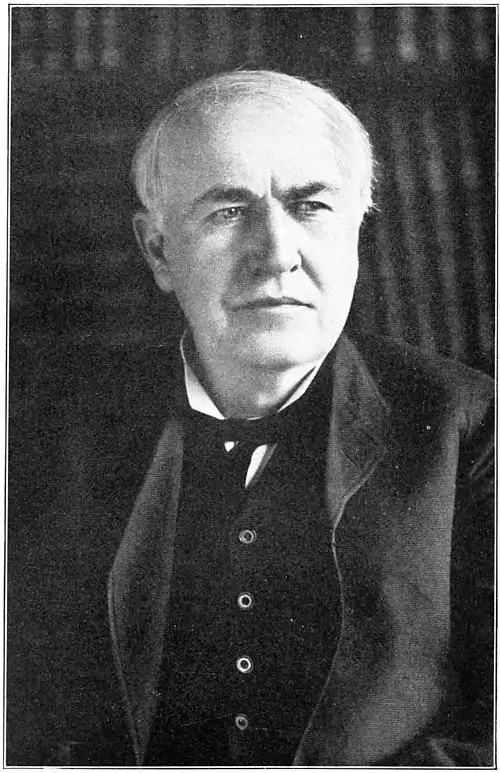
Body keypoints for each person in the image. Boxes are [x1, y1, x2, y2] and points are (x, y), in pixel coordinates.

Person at [8, 69, 493, 767]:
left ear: (356, 232)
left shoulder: (471, 425)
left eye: (312, 207)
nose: (277, 254)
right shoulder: (41, 437)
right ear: (158, 250)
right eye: (228, 211)